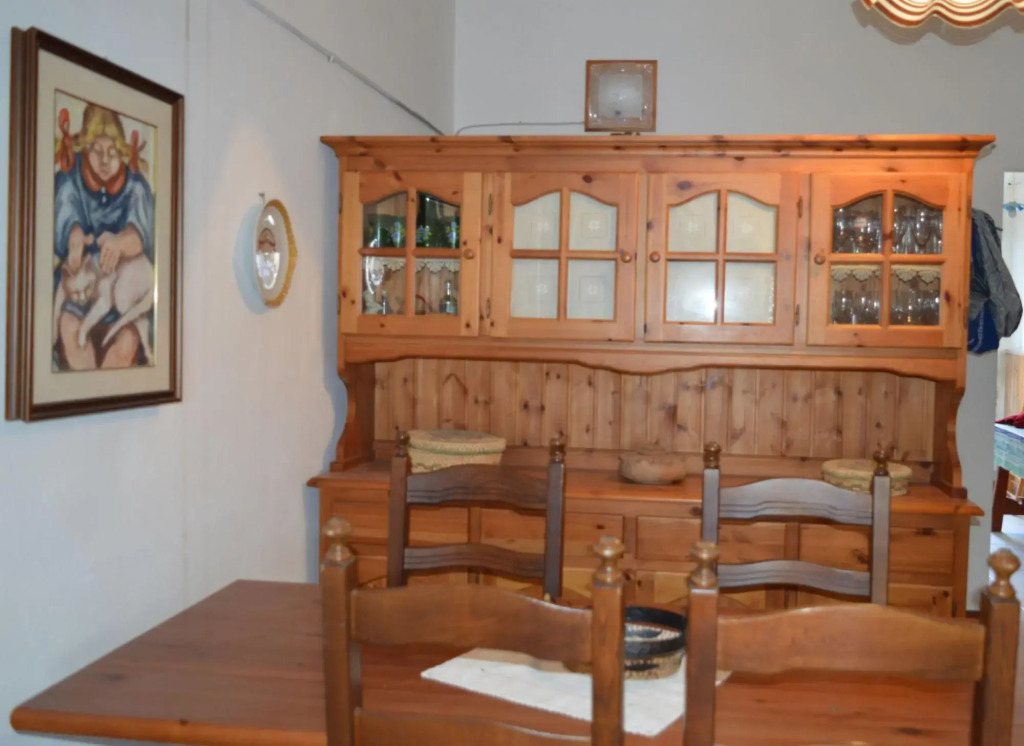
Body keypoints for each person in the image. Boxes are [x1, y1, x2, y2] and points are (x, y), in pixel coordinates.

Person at [53, 102, 154, 370]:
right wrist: (73, 231)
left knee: (126, 345)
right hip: (80, 291)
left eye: (112, 152)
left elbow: (141, 234)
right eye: (97, 151)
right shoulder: (70, 177)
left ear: (121, 151)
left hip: (123, 295)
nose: (105, 161)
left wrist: (123, 242)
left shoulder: (135, 186)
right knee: (71, 332)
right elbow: (64, 207)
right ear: (85, 147)